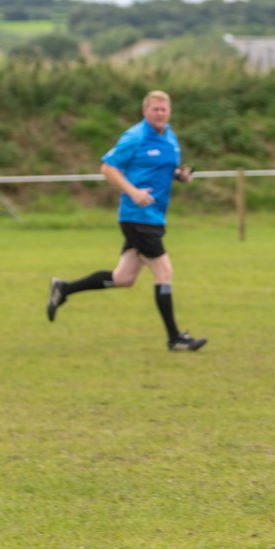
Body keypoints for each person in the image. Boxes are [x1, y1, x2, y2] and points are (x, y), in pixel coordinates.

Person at [46, 90, 206, 352]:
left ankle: (63, 289)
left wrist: (180, 175)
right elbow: (107, 168)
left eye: (164, 109)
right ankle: (175, 338)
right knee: (164, 272)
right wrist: (133, 192)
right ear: (145, 111)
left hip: (154, 218)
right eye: (155, 109)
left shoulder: (170, 137)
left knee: (123, 278)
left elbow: (164, 168)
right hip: (137, 217)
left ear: (169, 111)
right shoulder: (135, 136)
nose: (160, 113)